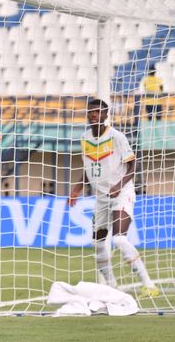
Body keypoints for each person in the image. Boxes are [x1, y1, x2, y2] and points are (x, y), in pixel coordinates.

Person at [68, 99, 159, 298]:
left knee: (118, 238)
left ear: (105, 114)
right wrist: (77, 187)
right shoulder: (84, 138)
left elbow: (133, 165)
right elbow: (90, 167)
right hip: (101, 197)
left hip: (122, 193)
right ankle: (111, 286)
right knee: (98, 244)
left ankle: (148, 284)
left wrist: (119, 185)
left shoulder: (116, 137)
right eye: (90, 112)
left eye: (97, 112)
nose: (93, 115)